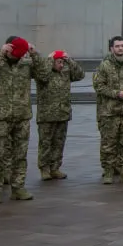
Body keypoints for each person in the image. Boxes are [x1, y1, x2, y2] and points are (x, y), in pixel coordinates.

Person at [0, 36, 49, 203]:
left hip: (21, 115)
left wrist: (35, 55)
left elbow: (45, 76)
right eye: (14, 54)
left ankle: (18, 187)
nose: (17, 58)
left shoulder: (26, 62)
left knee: (20, 154)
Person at [93, 35, 123, 183]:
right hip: (109, 112)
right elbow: (99, 86)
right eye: (117, 46)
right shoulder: (104, 65)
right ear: (111, 48)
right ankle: (108, 172)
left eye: (122, 45)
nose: (120, 48)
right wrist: (115, 94)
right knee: (109, 143)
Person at [36, 50, 84, 180]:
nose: (61, 65)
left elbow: (80, 75)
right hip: (46, 115)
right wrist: (49, 60)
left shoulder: (65, 73)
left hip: (62, 114)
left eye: (62, 62)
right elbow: (42, 76)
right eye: (58, 62)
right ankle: (44, 169)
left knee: (59, 143)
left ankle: (55, 168)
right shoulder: (44, 72)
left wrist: (69, 60)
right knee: (45, 143)